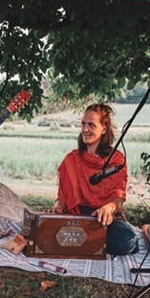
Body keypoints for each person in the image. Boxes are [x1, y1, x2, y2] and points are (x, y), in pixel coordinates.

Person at [47, 103, 138, 256]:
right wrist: (58, 208)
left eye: (91, 125)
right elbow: (62, 196)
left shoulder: (116, 160)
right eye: (83, 124)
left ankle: (80, 241)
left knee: (125, 240)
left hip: (105, 221)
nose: (85, 129)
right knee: (42, 230)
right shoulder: (71, 159)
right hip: (75, 218)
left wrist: (106, 209)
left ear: (104, 129)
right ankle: (86, 241)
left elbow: (118, 197)